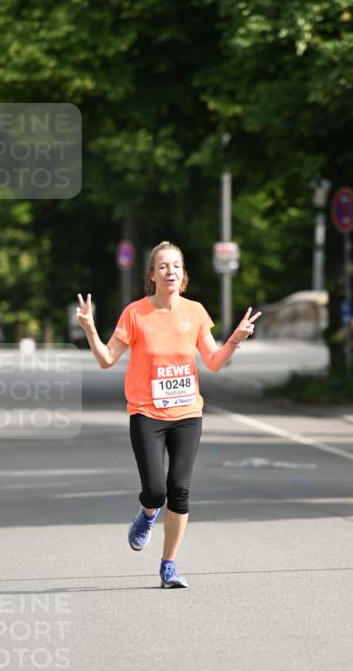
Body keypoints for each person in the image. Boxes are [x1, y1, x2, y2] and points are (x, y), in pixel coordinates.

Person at [75, 240, 261, 589]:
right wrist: (89, 327)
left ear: (184, 275)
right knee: (156, 491)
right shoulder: (135, 314)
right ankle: (146, 514)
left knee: (179, 489)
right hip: (146, 412)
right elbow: (106, 360)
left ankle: (169, 565)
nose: (170, 271)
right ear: (152, 275)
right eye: (163, 266)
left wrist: (235, 338)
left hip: (188, 412)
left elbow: (214, 362)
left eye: (176, 265)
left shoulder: (195, 312)